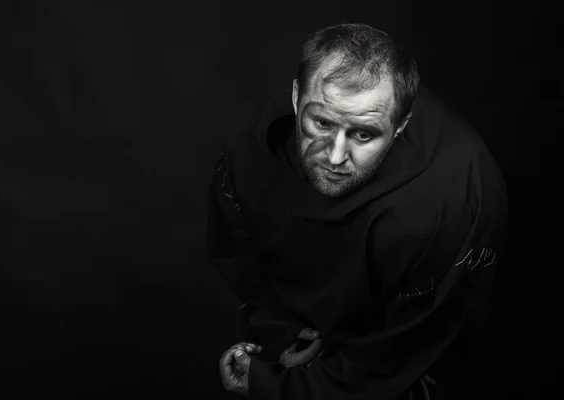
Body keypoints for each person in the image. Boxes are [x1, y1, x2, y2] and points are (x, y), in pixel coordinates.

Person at [207, 23, 508, 400]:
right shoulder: (248, 155)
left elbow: (405, 352)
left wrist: (274, 387)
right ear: (297, 97)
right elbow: (241, 260)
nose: (334, 156)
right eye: (322, 123)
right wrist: (278, 333)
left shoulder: (453, 199)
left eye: (363, 134)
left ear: (401, 126)